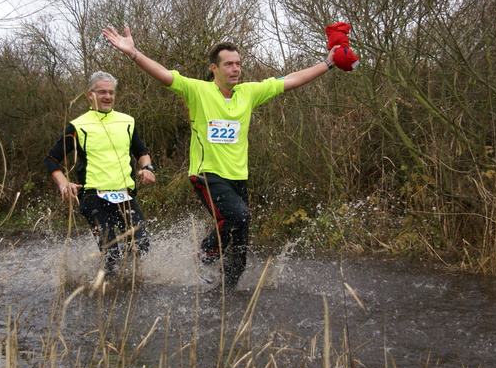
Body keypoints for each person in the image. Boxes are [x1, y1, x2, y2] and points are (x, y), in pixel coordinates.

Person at [102, 26, 339, 287]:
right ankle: (204, 255)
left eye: (238, 64)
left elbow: (291, 80)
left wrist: (328, 63)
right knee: (239, 217)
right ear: (214, 68)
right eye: (228, 64)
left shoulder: (249, 93)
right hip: (206, 174)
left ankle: (227, 289)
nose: (235, 69)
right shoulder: (198, 91)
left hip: (238, 178)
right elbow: (164, 75)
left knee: (240, 246)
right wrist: (134, 53)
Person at [43, 71, 156, 275]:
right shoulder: (77, 126)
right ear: (90, 95)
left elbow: (141, 152)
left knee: (141, 244)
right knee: (111, 252)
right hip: (93, 196)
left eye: (111, 92)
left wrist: (147, 168)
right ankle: (106, 290)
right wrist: (63, 183)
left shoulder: (127, 121)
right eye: (102, 92)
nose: (107, 97)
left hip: (124, 195)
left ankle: (131, 287)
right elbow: (51, 159)